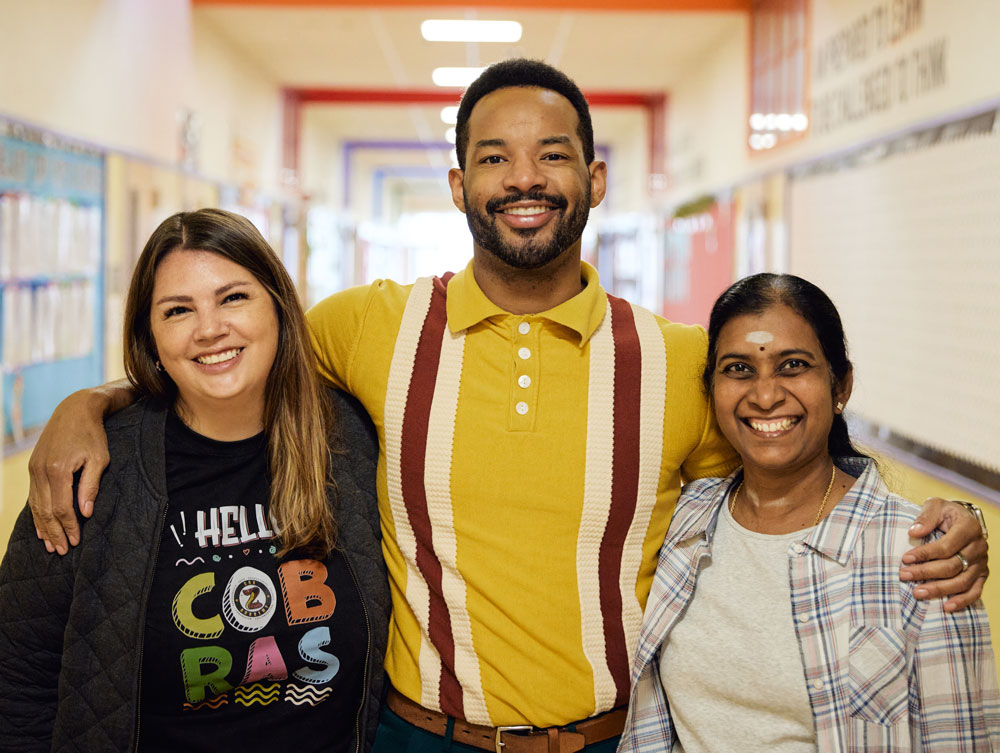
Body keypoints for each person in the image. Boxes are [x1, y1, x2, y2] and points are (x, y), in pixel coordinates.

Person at [25, 61, 989, 752]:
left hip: (618, 737)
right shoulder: (370, 329)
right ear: (460, 185)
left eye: (553, 155)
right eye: (494, 157)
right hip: (419, 733)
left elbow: (788, 448)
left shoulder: (676, 360)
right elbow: (230, 360)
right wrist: (94, 401)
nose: (524, 177)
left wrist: (931, 516)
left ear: (593, 179)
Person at [0, 209, 389, 753]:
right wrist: (88, 402)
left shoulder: (351, 441)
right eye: (178, 310)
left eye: (233, 298)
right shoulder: (96, 470)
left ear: (277, 305)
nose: (210, 329)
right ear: (151, 336)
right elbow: (20, 680)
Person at [619, 273, 1000, 753]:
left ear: (840, 385)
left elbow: (963, 740)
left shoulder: (922, 556)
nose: (764, 395)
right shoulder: (687, 522)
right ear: (711, 389)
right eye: (738, 369)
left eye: (793, 366)